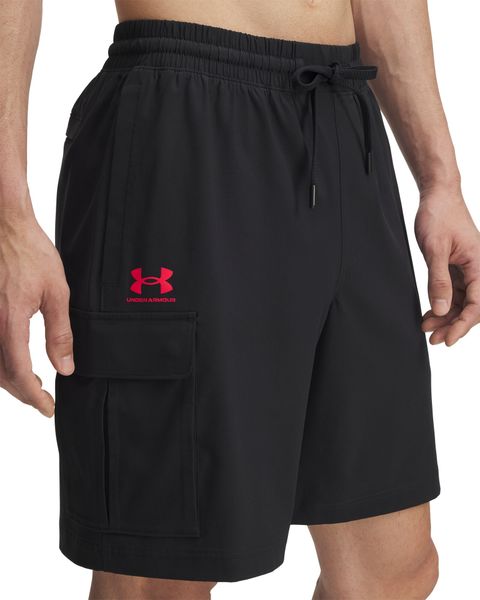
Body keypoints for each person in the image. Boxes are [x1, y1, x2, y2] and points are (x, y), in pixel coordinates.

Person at [1, 0, 479, 598]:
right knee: (162, 576)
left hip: (344, 122)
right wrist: (9, 221)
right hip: (186, 115)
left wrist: (441, 181)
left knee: (394, 573)